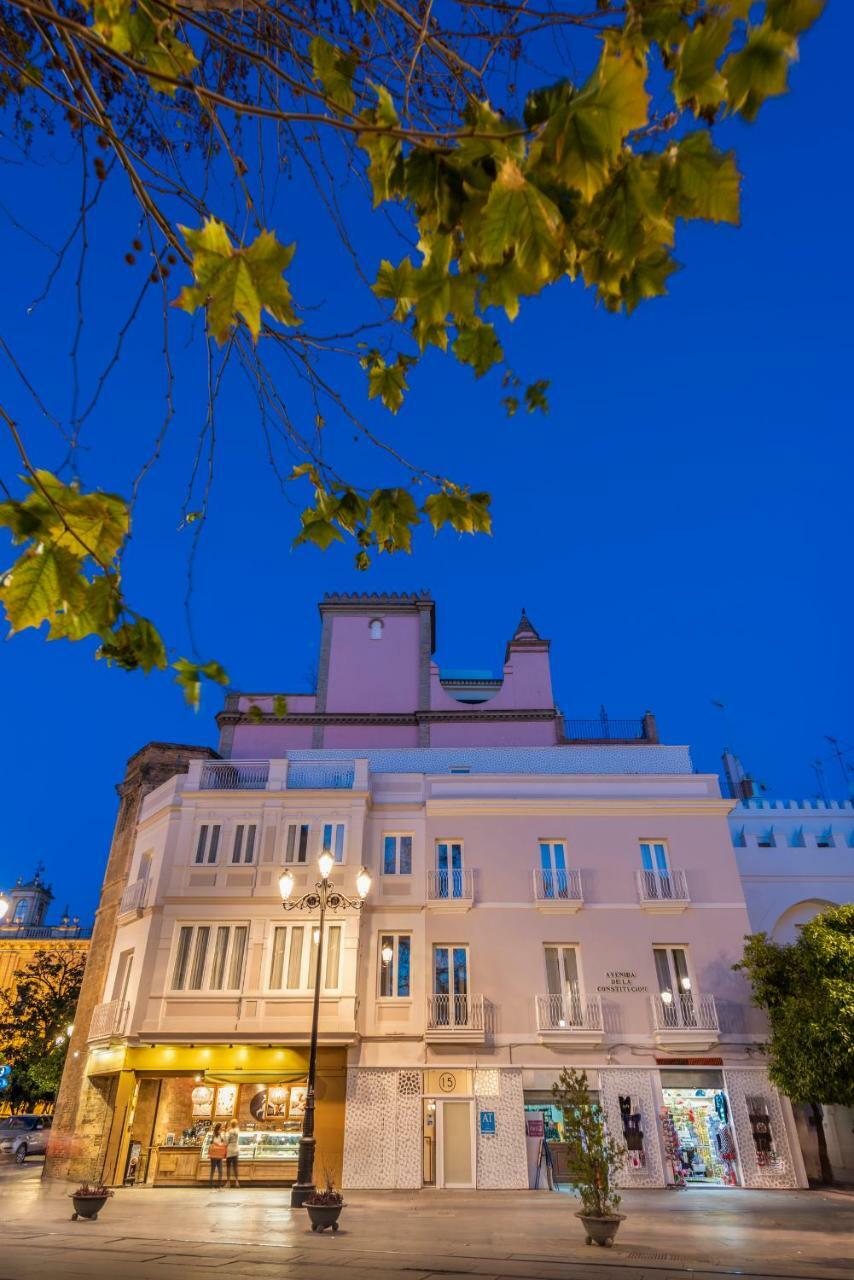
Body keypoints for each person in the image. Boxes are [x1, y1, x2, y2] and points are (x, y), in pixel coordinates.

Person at [208, 1123, 226, 1188]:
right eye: (221, 1127)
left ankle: (219, 1185)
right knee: (213, 1170)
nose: (222, 1128)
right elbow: (214, 1142)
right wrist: (220, 1144)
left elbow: (222, 1142)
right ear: (219, 1127)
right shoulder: (215, 1134)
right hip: (215, 1154)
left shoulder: (221, 1134)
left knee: (220, 1171)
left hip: (219, 1154)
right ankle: (211, 1185)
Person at [225, 1119, 241, 1188]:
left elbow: (226, 1141)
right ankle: (237, 1182)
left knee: (228, 1167)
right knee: (235, 1167)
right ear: (236, 1124)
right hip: (236, 1150)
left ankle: (228, 1182)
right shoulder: (238, 1131)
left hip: (229, 1150)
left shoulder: (229, 1132)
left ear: (231, 1124)